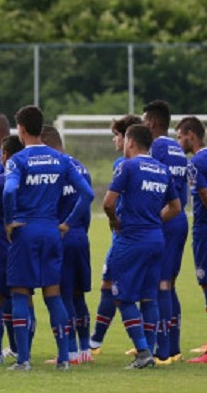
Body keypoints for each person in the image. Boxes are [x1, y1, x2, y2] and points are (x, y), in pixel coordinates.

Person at [2, 105, 94, 371]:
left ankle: (23, 360)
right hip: (52, 231)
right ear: (40, 128)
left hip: (26, 231)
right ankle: (65, 358)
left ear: (20, 130)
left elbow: (8, 192)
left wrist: (9, 221)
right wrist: (67, 223)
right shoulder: (61, 159)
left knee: (20, 294)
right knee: (53, 294)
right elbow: (87, 195)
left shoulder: (18, 160)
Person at [103, 124, 180, 369]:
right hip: (156, 238)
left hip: (131, 239)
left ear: (131, 142)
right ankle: (150, 351)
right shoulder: (162, 169)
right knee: (149, 297)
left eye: (124, 140)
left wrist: (116, 222)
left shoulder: (128, 166)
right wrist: (156, 220)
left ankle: (143, 352)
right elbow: (176, 207)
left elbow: (107, 203)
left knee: (122, 296)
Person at [41, 126, 94, 365]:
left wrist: (65, 225)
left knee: (62, 296)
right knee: (79, 295)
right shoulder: (81, 167)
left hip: (60, 236)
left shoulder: (53, 169)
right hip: (80, 236)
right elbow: (87, 203)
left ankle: (70, 352)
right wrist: (78, 228)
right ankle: (85, 350)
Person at [89, 114, 142, 354]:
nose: (114, 140)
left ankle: (140, 346)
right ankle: (97, 341)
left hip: (125, 235)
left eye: (117, 136)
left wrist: (115, 221)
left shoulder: (123, 165)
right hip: (141, 235)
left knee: (117, 289)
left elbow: (111, 202)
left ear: (127, 138)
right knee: (109, 285)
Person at [142, 100, 189, 364]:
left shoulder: (157, 146)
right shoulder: (176, 147)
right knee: (169, 283)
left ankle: (160, 350)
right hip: (179, 218)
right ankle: (173, 347)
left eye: (144, 119)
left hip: (165, 219)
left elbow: (153, 182)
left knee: (160, 282)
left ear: (152, 123)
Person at [0, 135, 25, 365]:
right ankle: (21, 350)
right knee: (22, 298)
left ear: (5, 156)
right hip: (21, 245)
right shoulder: (29, 180)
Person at [174, 117, 207, 363]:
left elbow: (205, 198)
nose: (178, 142)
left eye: (179, 137)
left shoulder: (195, 163)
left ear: (191, 136)